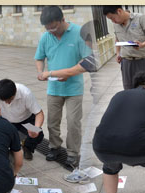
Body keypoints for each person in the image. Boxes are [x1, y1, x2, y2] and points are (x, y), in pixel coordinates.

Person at [35, 6, 91, 166]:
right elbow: (39, 57)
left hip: (74, 88)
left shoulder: (79, 33)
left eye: (54, 27)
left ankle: (73, 153)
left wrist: (67, 74)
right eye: (48, 28)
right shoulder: (46, 36)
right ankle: (54, 147)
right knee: (52, 121)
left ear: (63, 20)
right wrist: (40, 72)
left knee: (73, 122)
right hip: (53, 89)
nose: (51, 30)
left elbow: (86, 62)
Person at [103, 5, 145, 90]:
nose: (113, 21)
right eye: (110, 20)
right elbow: (117, 39)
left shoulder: (140, 18)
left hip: (143, 61)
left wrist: (142, 44)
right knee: (128, 90)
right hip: (126, 63)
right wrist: (118, 53)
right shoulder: (116, 25)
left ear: (119, 11)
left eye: (113, 18)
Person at [0, 79, 44, 160]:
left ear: (15, 91)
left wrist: (36, 129)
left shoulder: (25, 93)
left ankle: (27, 147)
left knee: (38, 134)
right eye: (4, 101)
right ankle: (6, 151)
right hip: (6, 120)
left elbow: (38, 113)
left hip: (26, 120)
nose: (7, 103)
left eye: (10, 99)